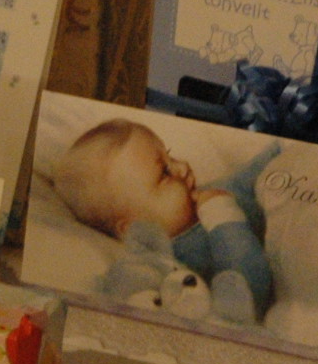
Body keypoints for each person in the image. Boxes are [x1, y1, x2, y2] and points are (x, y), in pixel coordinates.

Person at [52, 118, 278, 325]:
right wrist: (222, 214)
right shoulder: (180, 262)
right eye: (165, 173)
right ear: (135, 227)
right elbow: (249, 291)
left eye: (170, 156)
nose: (182, 166)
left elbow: (244, 179)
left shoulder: (199, 197)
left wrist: (277, 150)